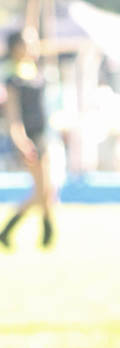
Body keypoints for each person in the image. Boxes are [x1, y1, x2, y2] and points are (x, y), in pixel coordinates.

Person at [1, 27, 55, 249]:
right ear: (16, 48)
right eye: (27, 43)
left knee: (47, 189)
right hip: (29, 140)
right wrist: (22, 143)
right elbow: (14, 118)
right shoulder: (13, 79)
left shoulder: (36, 71)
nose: (32, 46)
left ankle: (45, 230)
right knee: (43, 189)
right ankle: (38, 229)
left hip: (43, 136)